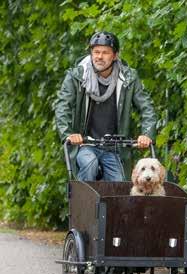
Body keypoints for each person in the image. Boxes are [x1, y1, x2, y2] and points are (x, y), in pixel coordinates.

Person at [54, 31, 157, 181]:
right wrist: (68, 134)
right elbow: (62, 106)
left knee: (120, 184)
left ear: (115, 55)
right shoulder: (76, 77)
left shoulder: (128, 78)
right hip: (85, 144)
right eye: (95, 52)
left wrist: (147, 134)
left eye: (105, 52)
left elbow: (147, 107)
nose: (99, 57)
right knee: (89, 163)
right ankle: (84, 203)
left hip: (114, 147)